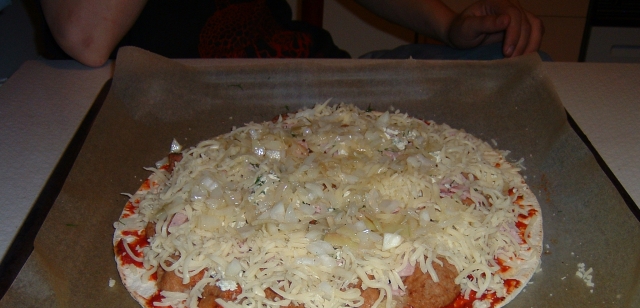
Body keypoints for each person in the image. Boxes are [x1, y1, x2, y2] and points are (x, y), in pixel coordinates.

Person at [40, 0, 543, 67]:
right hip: (178, 101)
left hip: (310, 75)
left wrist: (448, 25)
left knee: (509, 63)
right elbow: (85, 36)